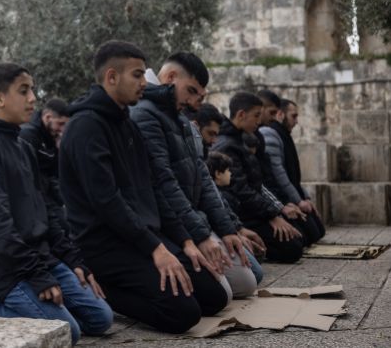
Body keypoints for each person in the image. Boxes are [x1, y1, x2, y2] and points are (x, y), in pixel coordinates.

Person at [60, 41, 228, 335]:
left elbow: (155, 188)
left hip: (142, 234)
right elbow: (107, 202)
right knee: (183, 314)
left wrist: (185, 240)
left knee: (212, 295)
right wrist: (156, 249)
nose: (144, 83)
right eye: (137, 75)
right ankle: (104, 291)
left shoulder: (128, 125)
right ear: (112, 77)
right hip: (105, 244)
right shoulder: (85, 127)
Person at [0, 62, 113, 345]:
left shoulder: (24, 147)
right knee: (69, 333)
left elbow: (46, 210)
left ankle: (39, 306)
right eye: (24, 90)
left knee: (101, 318)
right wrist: (37, 278)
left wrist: (72, 260)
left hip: (41, 258)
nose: (33, 97)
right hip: (5, 268)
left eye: (32, 89)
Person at [131, 52, 257, 300]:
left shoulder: (178, 116)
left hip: (193, 220)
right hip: (171, 226)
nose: (193, 101)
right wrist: (197, 237)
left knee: (250, 278)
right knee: (227, 292)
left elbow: (203, 176)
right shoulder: (146, 115)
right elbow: (165, 184)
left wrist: (227, 228)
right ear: (170, 77)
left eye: (197, 95)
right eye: (190, 91)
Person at [213, 92, 304, 263]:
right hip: (243, 214)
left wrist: (276, 210)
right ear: (241, 114)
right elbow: (242, 190)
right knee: (292, 248)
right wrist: (271, 215)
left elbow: (258, 184)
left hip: (255, 209)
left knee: (298, 234)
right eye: (256, 115)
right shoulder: (228, 146)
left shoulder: (241, 140)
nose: (258, 121)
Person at [258, 92, 325, 246]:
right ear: (281, 114)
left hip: (280, 197)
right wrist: (292, 202)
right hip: (276, 198)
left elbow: (292, 175)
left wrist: (304, 198)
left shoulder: (282, 134)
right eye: (293, 116)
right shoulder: (269, 133)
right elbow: (278, 175)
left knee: (317, 230)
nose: (296, 121)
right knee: (302, 239)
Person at [19, 98, 71, 232]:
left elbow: (55, 171)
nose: (62, 130)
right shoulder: (28, 135)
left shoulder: (52, 136)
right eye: (60, 124)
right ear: (48, 118)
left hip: (49, 194)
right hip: (37, 199)